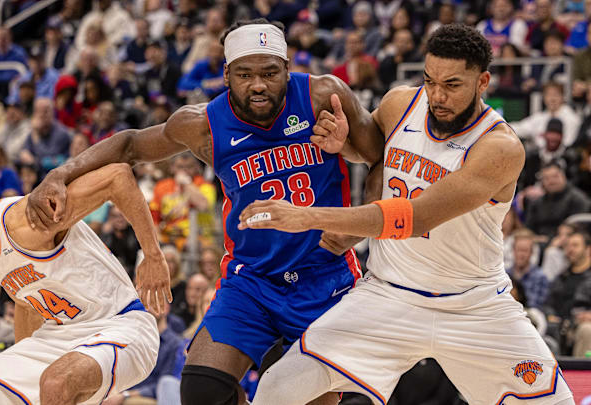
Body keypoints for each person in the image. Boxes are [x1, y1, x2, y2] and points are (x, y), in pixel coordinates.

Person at [26, 18, 381, 405]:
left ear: (288, 66)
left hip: (323, 276)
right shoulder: (202, 124)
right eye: (245, 74)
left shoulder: (322, 96)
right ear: (226, 74)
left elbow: (380, 156)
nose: (258, 84)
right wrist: (59, 174)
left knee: (298, 396)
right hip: (253, 278)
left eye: (269, 72)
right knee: (200, 390)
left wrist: (356, 215)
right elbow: (129, 145)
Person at [243, 24, 574, 404]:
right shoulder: (401, 102)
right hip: (389, 294)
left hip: (473, 307)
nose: (437, 95)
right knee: (276, 388)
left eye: (452, 84)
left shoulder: (499, 148)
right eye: (430, 80)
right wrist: (343, 144)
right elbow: (377, 154)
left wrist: (308, 216)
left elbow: (412, 219)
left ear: (483, 82)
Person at [0, 145, 169, 405]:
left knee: (56, 383)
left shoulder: (25, 218)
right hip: (58, 338)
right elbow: (27, 305)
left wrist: (152, 255)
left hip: (121, 325)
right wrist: (23, 361)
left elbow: (117, 176)